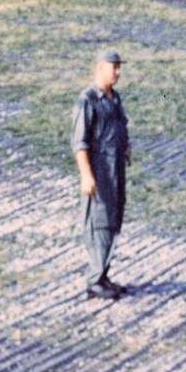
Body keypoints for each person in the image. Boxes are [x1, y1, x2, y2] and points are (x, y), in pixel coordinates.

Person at [72, 50, 132, 301]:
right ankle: (94, 280)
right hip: (99, 171)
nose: (117, 72)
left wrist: (126, 146)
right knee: (98, 223)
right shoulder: (87, 100)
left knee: (112, 220)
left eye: (119, 67)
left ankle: (103, 275)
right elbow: (79, 142)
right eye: (113, 67)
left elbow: (121, 125)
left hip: (115, 170)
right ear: (99, 68)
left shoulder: (114, 98)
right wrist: (86, 175)